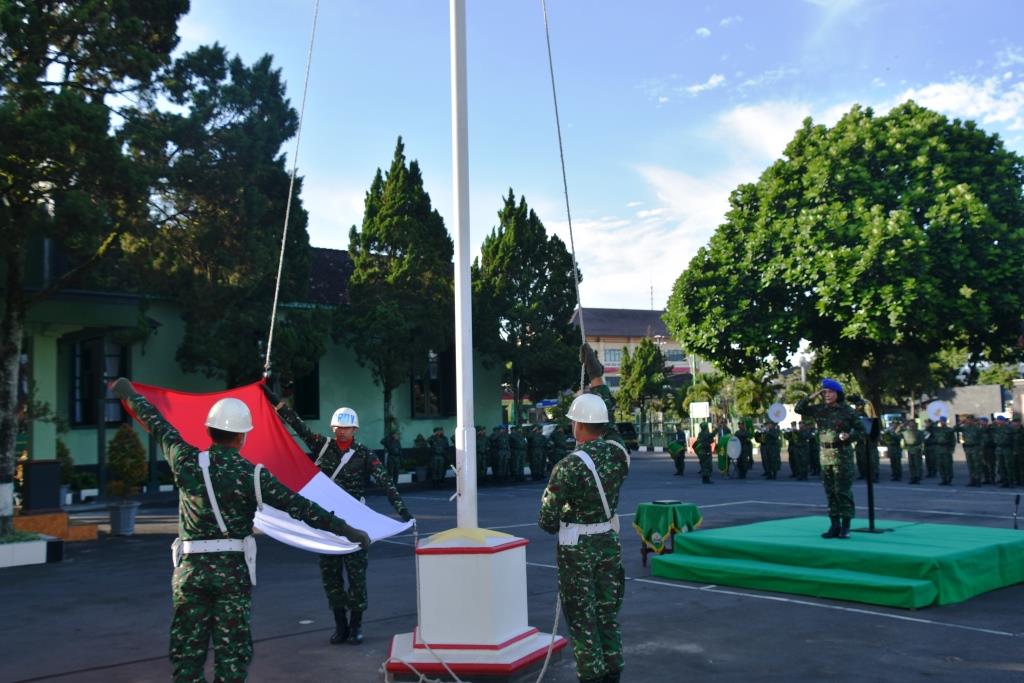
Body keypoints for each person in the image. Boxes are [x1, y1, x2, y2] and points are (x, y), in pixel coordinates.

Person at [110, 378, 370, 681]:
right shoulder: (253, 476)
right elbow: (302, 508)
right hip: (232, 576)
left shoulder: (185, 460)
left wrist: (130, 395)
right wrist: (349, 530)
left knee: (187, 656)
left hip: (190, 573)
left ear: (208, 431)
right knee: (231, 657)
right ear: (242, 437)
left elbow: (157, 423)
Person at [264, 387, 410, 645]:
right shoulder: (322, 446)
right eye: (337, 427)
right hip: (327, 524)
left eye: (346, 428)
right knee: (330, 577)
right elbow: (296, 424)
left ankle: (356, 627)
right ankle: (340, 626)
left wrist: (401, 509)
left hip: (355, 523)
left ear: (355, 430)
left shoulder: (364, 454)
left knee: (356, 577)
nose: (341, 431)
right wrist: (274, 399)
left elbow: (384, 481)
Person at [539, 392, 629, 683]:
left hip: (577, 548)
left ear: (578, 425)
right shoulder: (619, 454)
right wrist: (596, 379)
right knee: (607, 610)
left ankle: (591, 675)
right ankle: (613, 669)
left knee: (582, 617)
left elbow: (547, 520)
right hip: (608, 541)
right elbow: (612, 429)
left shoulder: (569, 466)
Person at [795, 379, 865, 539]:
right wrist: (814, 395)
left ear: (838, 394)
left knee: (843, 491)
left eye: (830, 392)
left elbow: (862, 430)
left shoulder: (847, 411)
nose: (827, 395)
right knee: (830, 492)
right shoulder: (820, 409)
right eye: (824, 392)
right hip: (825, 455)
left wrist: (850, 435)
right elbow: (799, 408)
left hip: (842, 454)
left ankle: (845, 526)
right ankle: (834, 525)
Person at [579, 343, 625, 448]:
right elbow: (607, 425)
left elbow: (606, 423)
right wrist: (595, 375)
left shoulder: (575, 461)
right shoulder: (615, 448)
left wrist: (595, 376)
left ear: (580, 426)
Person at [957, 416, 985, 487]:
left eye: (970, 420)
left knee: (977, 465)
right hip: (968, 448)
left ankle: (978, 480)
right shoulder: (965, 428)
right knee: (970, 465)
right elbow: (955, 429)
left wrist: (981, 449)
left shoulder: (977, 428)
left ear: (973, 420)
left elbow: (982, 439)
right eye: (967, 420)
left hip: (976, 448)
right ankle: (972, 480)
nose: (968, 421)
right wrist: (960, 423)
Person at [901, 420, 925, 485]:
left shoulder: (919, 432)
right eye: (910, 424)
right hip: (910, 448)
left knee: (917, 464)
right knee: (911, 464)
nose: (911, 425)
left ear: (915, 424)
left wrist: (921, 448)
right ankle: (912, 477)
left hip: (917, 449)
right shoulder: (907, 432)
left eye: (912, 424)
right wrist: (903, 425)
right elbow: (899, 433)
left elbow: (923, 441)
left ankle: (918, 477)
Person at [933, 417, 956, 486]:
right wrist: (937, 421)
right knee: (940, 465)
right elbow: (932, 427)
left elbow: (953, 440)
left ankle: (949, 479)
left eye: (943, 421)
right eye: (941, 421)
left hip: (946, 449)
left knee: (947, 465)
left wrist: (952, 449)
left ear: (945, 421)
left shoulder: (949, 430)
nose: (942, 422)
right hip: (939, 449)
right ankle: (943, 479)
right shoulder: (937, 429)